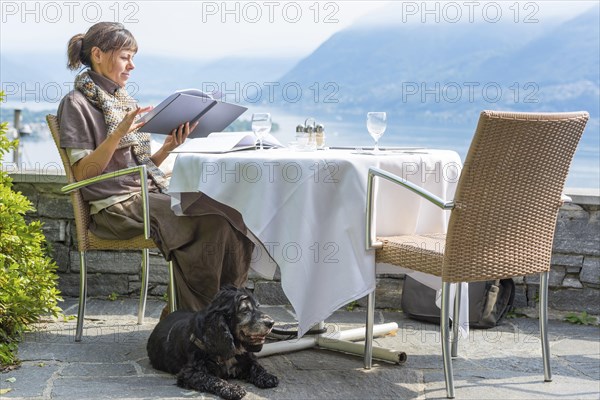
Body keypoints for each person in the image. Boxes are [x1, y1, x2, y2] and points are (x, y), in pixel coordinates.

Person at [57, 21, 258, 313]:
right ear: (98, 54)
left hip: (143, 194)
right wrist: (117, 135)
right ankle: (192, 319)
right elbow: (83, 175)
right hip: (115, 208)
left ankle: (231, 313)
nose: (132, 66)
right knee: (210, 222)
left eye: (132, 58)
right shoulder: (76, 104)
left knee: (232, 216)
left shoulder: (120, 100)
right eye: (125, 57)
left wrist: (166, 148)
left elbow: (135, 167)